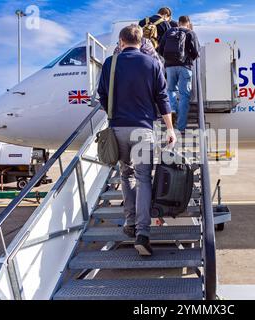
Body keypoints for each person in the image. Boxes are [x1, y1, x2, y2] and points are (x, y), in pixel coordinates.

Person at [97, 25, 177, 256]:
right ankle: (142, 233)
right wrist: (169, 128)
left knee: (126, 174)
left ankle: (129, 222)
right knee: (143, 179)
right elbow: (162, 98)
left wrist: (114, 111)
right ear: (141, 42)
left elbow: (102, 96)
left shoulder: (111, 64)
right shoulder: (152, 63)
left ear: (121, 41)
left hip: (118, 130)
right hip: (143, 131)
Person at [159, 16, 200, 132]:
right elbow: (196, 52)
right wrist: (189, 59)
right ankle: (180, 127)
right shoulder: (190, 33)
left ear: (178, 23)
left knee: (170, 90)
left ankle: (172, 107)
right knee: (184, 96)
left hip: (170, 67)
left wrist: (168, 59)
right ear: (188, 23)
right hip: (185, 67)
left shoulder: (169, 32)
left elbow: (160, 49)